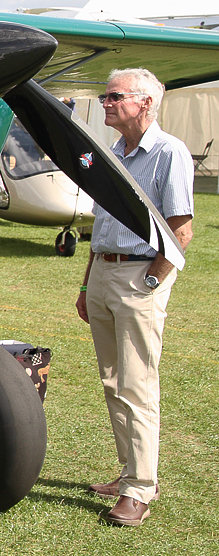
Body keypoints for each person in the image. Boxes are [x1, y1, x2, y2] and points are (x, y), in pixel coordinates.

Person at [75, 68, 193, 527]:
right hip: (104, 272)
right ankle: (130, 474)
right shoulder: (114, 153)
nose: (105, 102)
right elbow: (101, 228)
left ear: (145, 103)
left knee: (137, 385)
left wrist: (151, 280)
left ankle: (141, 490)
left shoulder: (169, 153)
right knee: (112, 381)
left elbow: (181, 230)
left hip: (138, 277)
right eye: (104, 96)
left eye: (113, 96)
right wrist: (88, 284)